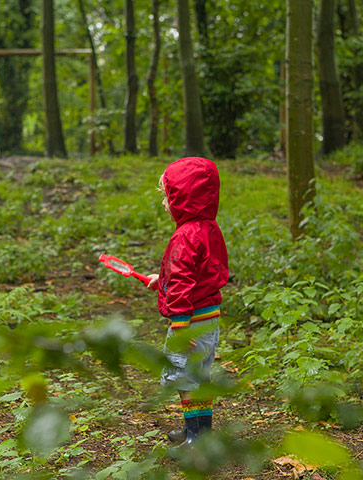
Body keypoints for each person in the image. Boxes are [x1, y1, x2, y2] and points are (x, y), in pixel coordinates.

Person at [146, 157, 229, 449]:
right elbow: (199, 273)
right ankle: (200, 432)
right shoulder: (208, 228)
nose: (165, 203)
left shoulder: (184, 235)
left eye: (169, 197)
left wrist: (180, 326)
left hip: (190, 322)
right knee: (199, 377)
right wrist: (163, 278)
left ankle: (195, 439)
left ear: (185, 199)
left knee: (185, 381)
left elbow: (183, 280)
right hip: (209, 319)